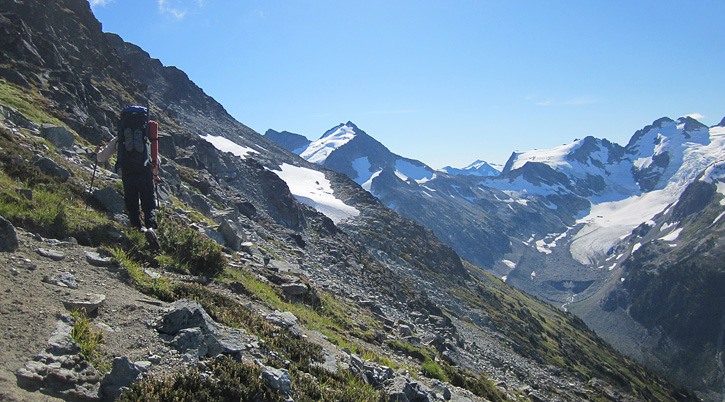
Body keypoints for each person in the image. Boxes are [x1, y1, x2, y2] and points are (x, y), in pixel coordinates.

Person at [95, 106, 160, 232]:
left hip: (127, 172)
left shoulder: (121, 136)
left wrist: (97, 153)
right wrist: (155, 174)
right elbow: (155, 158)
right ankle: (151, 227)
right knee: (148, 202)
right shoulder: (146, 136)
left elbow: (102, 157)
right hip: (145, 172)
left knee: (132, 202)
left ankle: (137, 228)